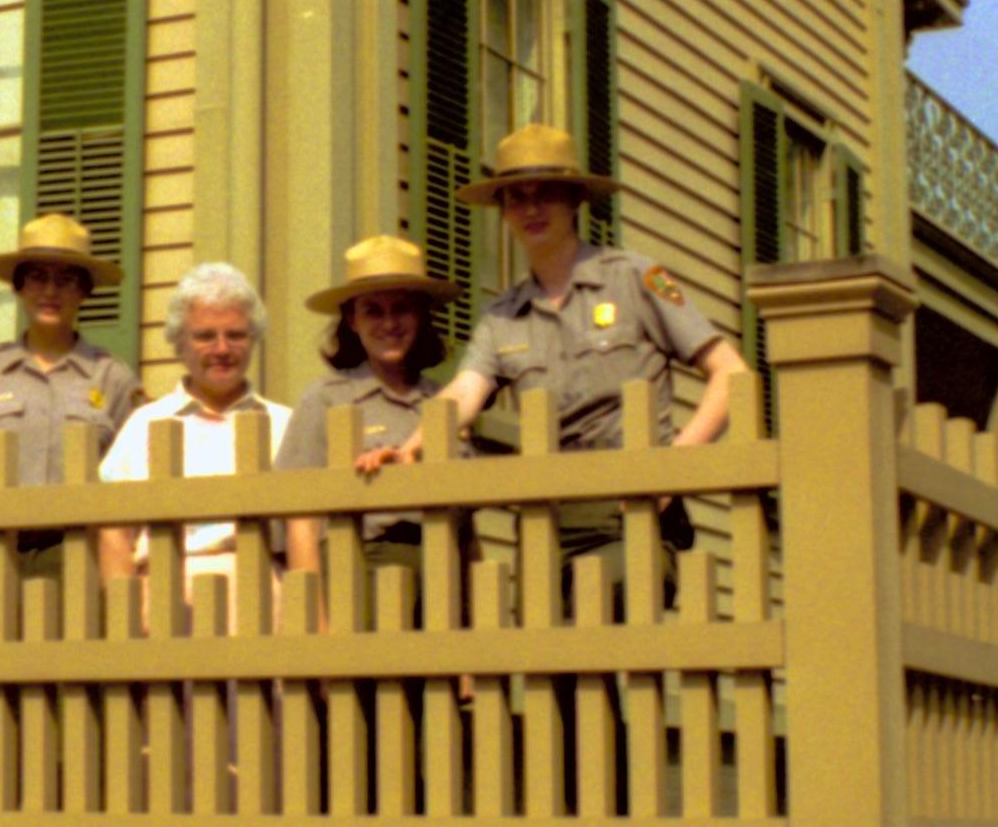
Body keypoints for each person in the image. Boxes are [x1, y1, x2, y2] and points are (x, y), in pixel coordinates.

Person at [356, 121, 746, 606]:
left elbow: (730, 374)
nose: (532, 208)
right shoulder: (503, 317)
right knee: (555, 669)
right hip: (549, 516)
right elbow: (463, 394)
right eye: (516, 197)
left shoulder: (635, 279)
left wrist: (674, 466)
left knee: (609, 615)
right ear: (503, 211)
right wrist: (411, 447)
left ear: (575, 200)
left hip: (630, 504)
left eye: (547, 193)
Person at [0, 213, 141, 593]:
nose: (51, 290)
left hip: (76, 553)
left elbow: (129, 493)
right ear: (19, 286)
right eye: (38, 277)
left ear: (85, 291)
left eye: (66, 279)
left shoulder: (112, 378)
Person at [96, 263, 292, 607]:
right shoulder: (144, 425)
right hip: (160, 598)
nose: (221, 349)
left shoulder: (283, 424)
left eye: (236, 335)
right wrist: (125, 613)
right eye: (205, 336)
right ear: (179, 345)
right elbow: (113, 533)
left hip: (260, 597)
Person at [275, 235, 461, 586]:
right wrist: (318, 624)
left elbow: (466, 527)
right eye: (373, 310)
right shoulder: (326, 400)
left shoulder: (444, 404)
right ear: (351, 320)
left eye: (401, 308)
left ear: (421, 315)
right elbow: (299, 519)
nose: (389, 324)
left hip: (443, 571)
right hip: (361, 567)